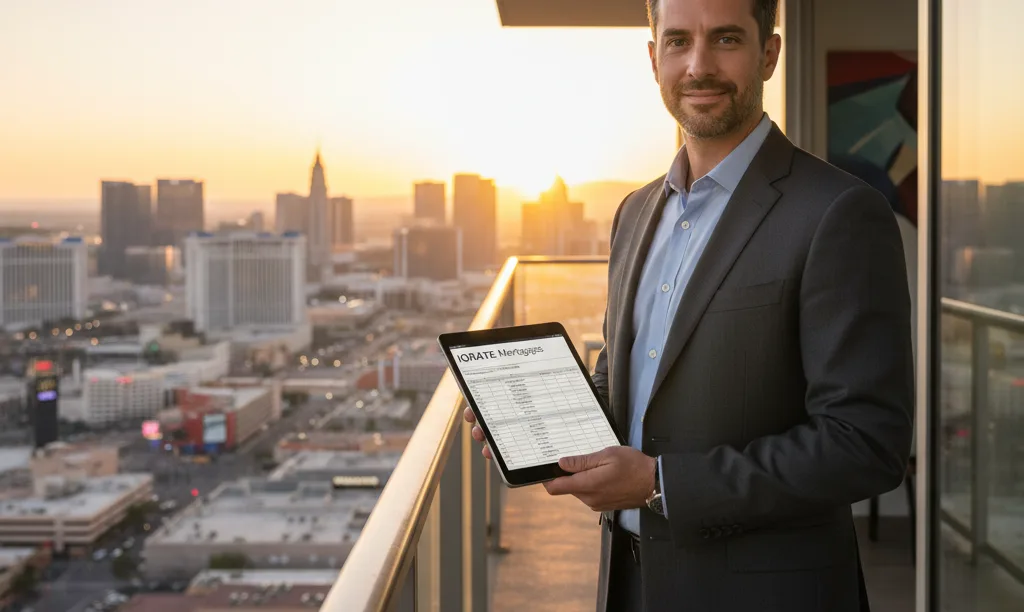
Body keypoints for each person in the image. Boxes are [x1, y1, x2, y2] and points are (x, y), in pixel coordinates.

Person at [464, 0, 914, 609]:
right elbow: (628, 382)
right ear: (654, 59)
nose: (698, 65)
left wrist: (660, 485)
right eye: (678, 41)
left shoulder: (837, 213)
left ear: (769, 54)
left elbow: (866, 443)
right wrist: (538, 423)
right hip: (630, 583)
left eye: (725, 39)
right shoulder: (634, 213)